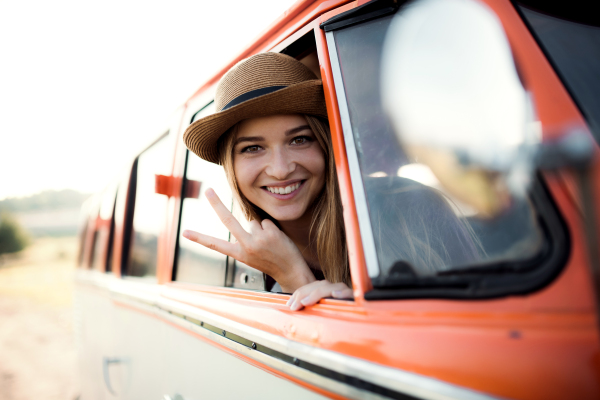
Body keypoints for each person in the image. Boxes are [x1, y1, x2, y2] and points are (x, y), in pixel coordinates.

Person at [182, 52, 352, 311]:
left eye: (299, 139)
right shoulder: (240, 273)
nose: (281, 170)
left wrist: (296, 280)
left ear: (326, 144)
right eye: (252, 148)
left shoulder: (402, 218)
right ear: (231, 167)